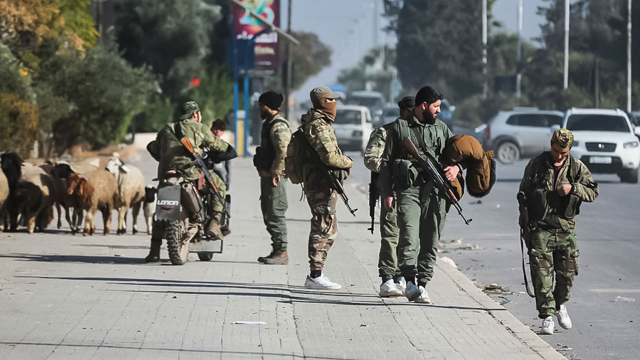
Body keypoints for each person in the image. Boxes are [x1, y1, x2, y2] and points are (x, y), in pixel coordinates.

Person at [379, 86, 460, 303]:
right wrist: (386, 193)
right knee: (409, 235)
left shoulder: (441, 128)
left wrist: (456, 169)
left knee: (431, 238)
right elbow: (385, 163)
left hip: (435, 190)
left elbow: (457, 155)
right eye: (436, 107)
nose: (439, 111)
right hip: (408, 189)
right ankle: (410, 281)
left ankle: (423, 283)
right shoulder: (400, 127)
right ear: (423, 105)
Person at [518, 128, 598, 335]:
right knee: (542, 277)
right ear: (551, 145)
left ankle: (560, 304)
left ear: (569, 149)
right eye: (555, 150)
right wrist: (525, 227)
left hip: (565, 230)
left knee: (567, 274)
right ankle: (546, 316)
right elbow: (523, 195)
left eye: (563, 152)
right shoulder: (536, 165)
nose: (558, 156)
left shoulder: (577, 168)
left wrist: (573, 188)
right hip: (541, 230)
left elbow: (592, 192)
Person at [145, 101, 236, 262]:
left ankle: (154, 252)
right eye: (199, 114)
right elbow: (217, 145)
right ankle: (214, 223)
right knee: (220, 186)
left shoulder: (167, 128)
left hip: (168, 175)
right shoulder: (199, 128)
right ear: (195, 114)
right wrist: (229, 150)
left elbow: (152, 148)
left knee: (161, 211)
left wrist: (165, 159)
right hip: (191, 173)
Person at [301, 86, 353, 290]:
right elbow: (329, 157)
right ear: (324, 102)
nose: (335, 103)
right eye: (332, 100)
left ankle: (318, 272)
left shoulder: (319, 122)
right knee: (323, 225)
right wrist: (348, 162)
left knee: (328, 226)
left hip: (323, 181)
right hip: (320, 182)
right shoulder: (318, 125)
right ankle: (315, 275)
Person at [363, 96, 415, 297]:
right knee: (391, 236)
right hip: (390, 191)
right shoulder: (385, 132)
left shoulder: (416, 133)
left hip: (411, 193)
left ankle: (400, 276)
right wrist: (394, 171)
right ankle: (387, 279)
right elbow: (370, 159)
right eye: (410, 112)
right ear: (402, 111)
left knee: (408, 236)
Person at [253, 91, 292, 265]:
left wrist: (276, 172)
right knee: (268, 212)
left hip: (274, 177)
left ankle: (282, 252)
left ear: (268, 106)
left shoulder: (278, 126)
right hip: (267, 176)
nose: (259, 109)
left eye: (261, 105)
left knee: (275, 213)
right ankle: (276, 249)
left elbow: (283, 151)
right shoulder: (268, 123)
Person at [210, 119, 231, 190]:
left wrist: (227, 182)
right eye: (216, 129)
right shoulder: (204, 144)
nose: (217, 131)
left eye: (220, 129)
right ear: (211, 129)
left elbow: (228, 166)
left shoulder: (225, 146)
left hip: (221, 178)